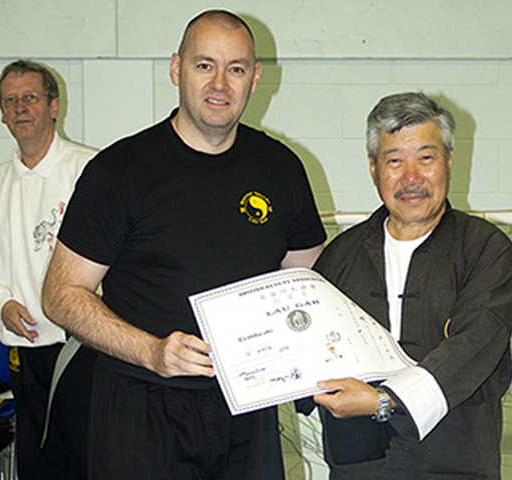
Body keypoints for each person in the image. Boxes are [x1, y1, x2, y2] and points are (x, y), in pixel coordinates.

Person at [41, 10, 325, 480]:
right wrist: (152, 350)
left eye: (235, 69)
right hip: (142, 408)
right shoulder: (119, 172)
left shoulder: (281, 169)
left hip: (246, 410)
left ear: (254, 79)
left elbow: (310, 283)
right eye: (204, 65)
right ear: (176, 69)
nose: (220, 83)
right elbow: (60, 295)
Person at [303, 92, 512, 479]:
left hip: (455, 466)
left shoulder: (486, 250)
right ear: (373, 169)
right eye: (394, 161)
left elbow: (473, 346)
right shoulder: (340, 256)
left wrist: (383, 399)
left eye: (426, 157)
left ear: (449, 161)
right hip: (358, 468)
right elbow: (308, 352)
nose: (411, 177)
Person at [0, 60, 98, 479]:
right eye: (11, 100)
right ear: (2, 113)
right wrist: (1, 303)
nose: (20, 107)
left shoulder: (89, 171)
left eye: (31, 98)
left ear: (54, 106)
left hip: (86, 349)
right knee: (38, 466)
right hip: (25, 350)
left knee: (92, 460)